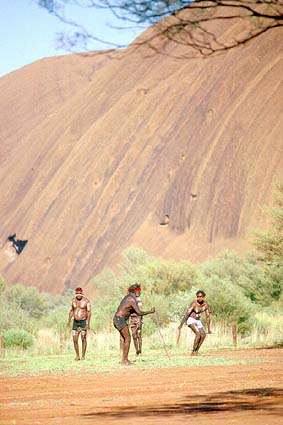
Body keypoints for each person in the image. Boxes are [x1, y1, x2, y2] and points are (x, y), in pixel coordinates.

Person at [114, 283, 155, 365]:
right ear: (135, 292)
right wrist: (150, 311)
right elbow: (139, 312)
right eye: (138, 291)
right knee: (128, 339)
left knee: (126, 339)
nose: (139, 293)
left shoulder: (128, 298)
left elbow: (129, 310)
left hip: (118, 319)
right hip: (120, 319)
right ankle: (124, 360)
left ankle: (124, 359)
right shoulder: (131, 299)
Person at [178, 290, 211, 356]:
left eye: (201, 296)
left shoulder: (206, 305)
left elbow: (208, 317)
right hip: (191, 319)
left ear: (204, 296)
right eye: (198, 296)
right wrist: (181, 325)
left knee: (203, 335)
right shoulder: (194, 304)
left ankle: (196, 351)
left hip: (198, 320)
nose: (199, 298)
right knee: (198, 334)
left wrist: (209, 329)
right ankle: (193, 351)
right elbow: (187, 314)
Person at [67, 287, 91, 361]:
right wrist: (69, 321)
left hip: (83, 321)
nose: (79, 295)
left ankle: (83, 356)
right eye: (77, 293)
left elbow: (89, 312)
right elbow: (71, 311)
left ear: (82, 294)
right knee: (74, 339)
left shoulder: (86, 301)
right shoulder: (73, 301)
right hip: (75, 322)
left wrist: (87, 323)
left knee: (83, 338)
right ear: (75, 294)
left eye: (80, 293)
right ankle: (77, 356)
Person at [128, 286, 143, 355]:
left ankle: (140, 350)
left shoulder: (138, 299)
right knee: (134, 335)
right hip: (132, 319)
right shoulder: (129, 299)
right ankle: (137, 351)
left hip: (138, 318)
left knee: (139, 334)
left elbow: (140, 311)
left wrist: (140, 319)